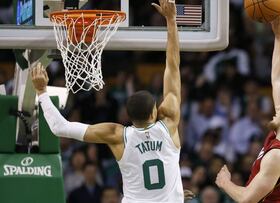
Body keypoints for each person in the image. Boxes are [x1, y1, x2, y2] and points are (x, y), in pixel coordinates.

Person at [31, 1, 186, 202]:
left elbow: (60, 127)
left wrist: (41, 91)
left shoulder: (117, 134)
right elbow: (172, 66)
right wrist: (171, 20)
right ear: (154, 113)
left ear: (128, 117)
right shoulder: (169, 124)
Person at [215, 13, 280, 203]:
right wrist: (279, 35)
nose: (279, 106)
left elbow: (246, 199)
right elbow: (279, 80)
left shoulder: (278, 156)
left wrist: (225, 182)